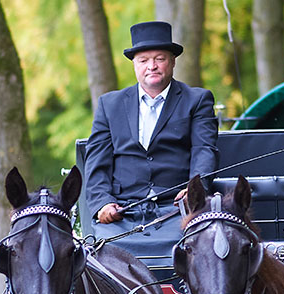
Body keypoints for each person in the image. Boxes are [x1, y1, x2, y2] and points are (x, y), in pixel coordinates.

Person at [83, 21, 218, 260]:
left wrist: (195, 188)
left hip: (177, 212)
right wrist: (102, 203)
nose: (151, 66)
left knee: (201, 250)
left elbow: (204, 150)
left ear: (172, 61)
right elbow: (97, 164)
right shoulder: (109, 105)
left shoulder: (197, 100)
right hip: (124, 214)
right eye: (144, 60)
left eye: (159, 59)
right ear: (134, 65)